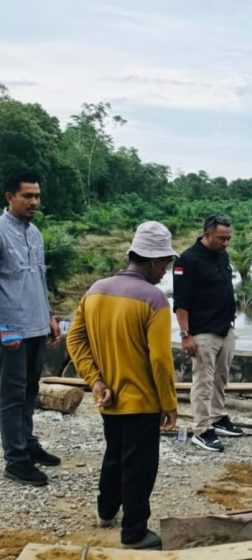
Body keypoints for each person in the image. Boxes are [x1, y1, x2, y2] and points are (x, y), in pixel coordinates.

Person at [66, 221, 179, 549]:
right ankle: (134, 532)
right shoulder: (154, 300)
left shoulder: (95, 290)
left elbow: (76, 339)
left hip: (108, 399)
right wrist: (169, 404)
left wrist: (96, 381)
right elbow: (160, 361)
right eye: (166, 264)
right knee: (139, 466)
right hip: (142, 401)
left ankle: (105, 511)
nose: (165, 271)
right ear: (154, 261)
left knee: (114, 454)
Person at [0, 171, 62, 487]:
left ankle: (27, 443)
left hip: (36, 325)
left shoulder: (35, 233)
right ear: (9, 196)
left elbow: (39, 277)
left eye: (37, 196)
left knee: (30, 391)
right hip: (11, 331)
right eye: (27, 196)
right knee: (11, 396)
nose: (34, 202)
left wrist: (50, 316)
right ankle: (16, 459)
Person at [173, 215, 240, 453]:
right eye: (222, 238)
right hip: (202, 332)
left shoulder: (222, 256)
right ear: (207, 234)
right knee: (203, 382)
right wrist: (185, 335)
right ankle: (201, 430)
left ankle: (218, 416)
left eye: (229, 238)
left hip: (225, 328)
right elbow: (181, 303)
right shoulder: (187, 260)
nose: (226, 243)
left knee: (221, 377)